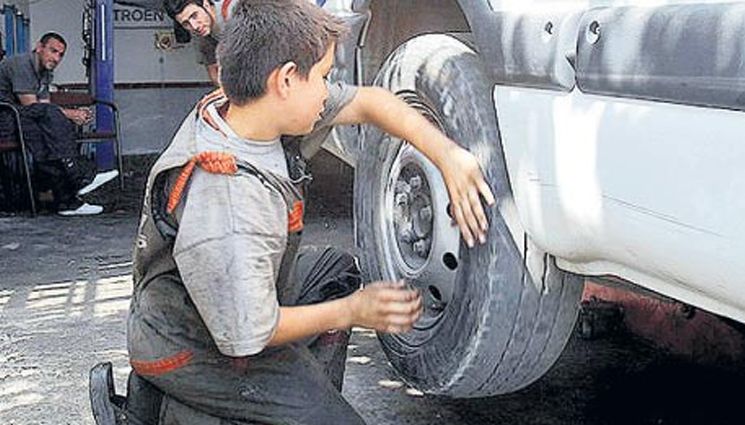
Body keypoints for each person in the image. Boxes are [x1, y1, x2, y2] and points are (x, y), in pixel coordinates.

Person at [128, 0, 495, 423]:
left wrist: (448, 155)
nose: (326, 91)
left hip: (225, 299)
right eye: (322, 77)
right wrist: (353, 311)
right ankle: (175, 409)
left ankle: (290, 397)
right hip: (190, 344)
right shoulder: (227, 199)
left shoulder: (254, 111)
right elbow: (248, 334)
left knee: (334, 272)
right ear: (285, 80)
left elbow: (371, 101)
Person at [0, 32, 118, 215]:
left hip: (21, 118)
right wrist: (70, 114)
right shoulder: (22, 64)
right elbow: (31, 105)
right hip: (6, 119)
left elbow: (44, 107)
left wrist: (66, 116)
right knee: (48, 127)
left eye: (60, 54)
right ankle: (78, 180)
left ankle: (67, 201)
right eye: (53, 51)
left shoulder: (45, 73)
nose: (56, 58)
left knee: (47, 140)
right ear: (39, 48)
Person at [163, 0, 239, 85]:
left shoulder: (235, 11)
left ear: (205, 4)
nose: (194, 26)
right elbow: (215, 74)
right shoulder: (200, 33)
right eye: (186, 23)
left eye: (194, 16)